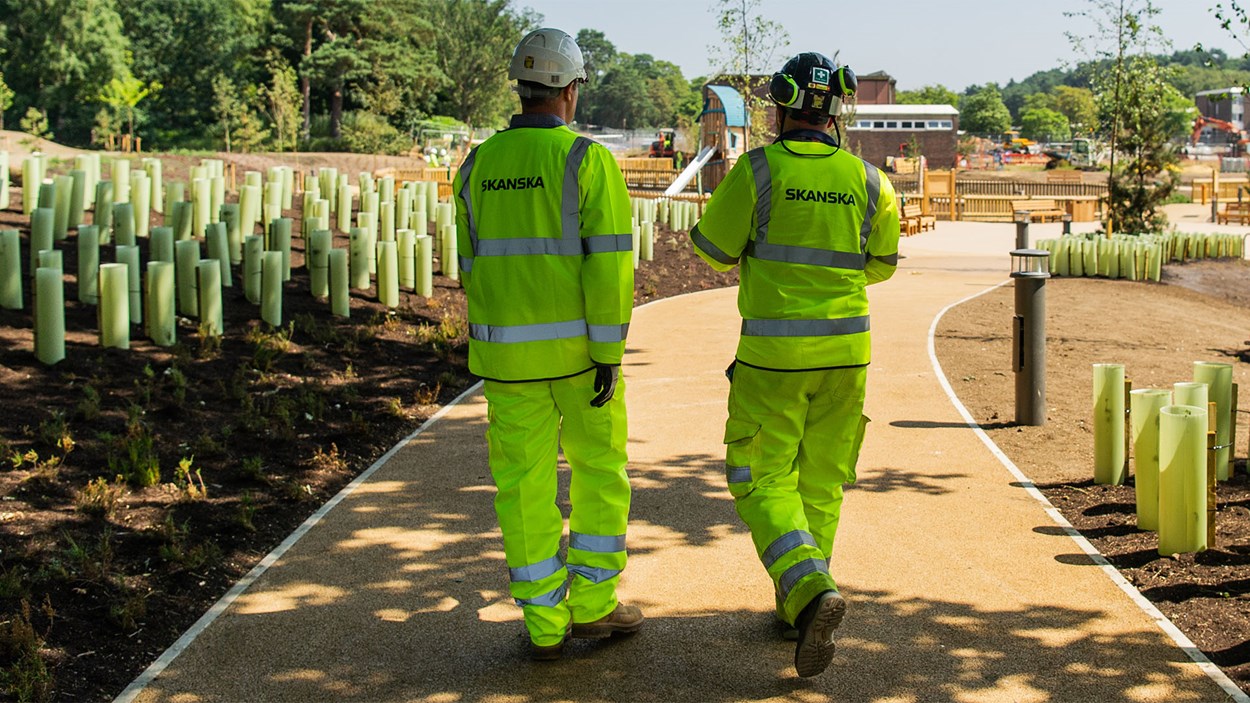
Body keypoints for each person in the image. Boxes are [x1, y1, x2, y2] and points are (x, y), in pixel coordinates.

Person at [689, 52, 900, 678]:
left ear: (780, 109)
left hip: (773, 359)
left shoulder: (756, 171)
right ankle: (798, 608)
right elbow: (882, 264)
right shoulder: (870, 180)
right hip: (847, 356)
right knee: (822, 482)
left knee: (758, 477)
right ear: (836, 111)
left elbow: (714, 252)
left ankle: (807, 589)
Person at [452, 26, 642, 662]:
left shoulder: (477, 164)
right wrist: (610, 353)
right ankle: (592, 606)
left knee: (522, 485)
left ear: (524, 86)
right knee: (598, 472)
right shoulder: (586, 161)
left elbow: (472, 267)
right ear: (570, 89)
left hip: (506, 362)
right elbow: (610, 266)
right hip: (581, 359)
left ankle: (543, 624)